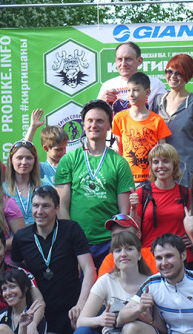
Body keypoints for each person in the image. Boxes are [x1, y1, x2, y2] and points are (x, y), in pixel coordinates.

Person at [11, 185, 96, 334]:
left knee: (81, 329)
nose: (40, 211)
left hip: (71, 307)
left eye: (46, 206)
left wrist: (81, 304)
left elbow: (89, 269)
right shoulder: (22, 238)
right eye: (36, 206)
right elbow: (18, 278)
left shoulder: (71, 229)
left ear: (57, 208)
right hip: (45, 313)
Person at [55, 99, 135, 267]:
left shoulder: (119, 163)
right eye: (89, 121)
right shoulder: (69, 160)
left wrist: (118, 244)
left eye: (100, 121)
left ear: (108, 126)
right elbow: (61, 207)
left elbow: (123, 212)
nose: (94, 125)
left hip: (109, 242)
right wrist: (72, 241)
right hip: (78, 243)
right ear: (83, 125)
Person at [150, 54, 193, 186]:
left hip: (185, 171)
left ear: (187, 75)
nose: (173, 77)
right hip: (160, 170)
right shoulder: (158, 100)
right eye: (169, 71)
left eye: (179, 73)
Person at [129, 143, 193, 273]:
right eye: (156, 162)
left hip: (180, 258)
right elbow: (133, 231)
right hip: (150, 259)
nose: (160, 166)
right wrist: (133, 208)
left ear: (174, 164)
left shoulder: (186, 193)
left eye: (165, 161)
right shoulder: (142, 193)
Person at [112, 72, 171, 184]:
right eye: (128, 90)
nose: (131, 94)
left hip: (151, 179)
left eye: (136, 90)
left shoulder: (157, 120)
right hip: (127, 178)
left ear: (148, 92)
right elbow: (119, 150)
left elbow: (163, 152)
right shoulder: (120, 118)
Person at [98, 42, 165, 115]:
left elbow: (168, 111)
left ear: (139, 61)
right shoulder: (107, 85)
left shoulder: (155, 84)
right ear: (116, 61)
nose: (123, 64)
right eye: (120, 59)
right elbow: (97, 116)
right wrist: (101, 103)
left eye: (128, 59)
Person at [22, 109, 69, 186]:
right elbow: (24, 151)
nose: (62, 152)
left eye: (64, 148)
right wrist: (33, 127)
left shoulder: (70, 166)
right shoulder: (40, 168)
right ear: (46, 148)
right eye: (58, 149)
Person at [3, 140, 43, 225]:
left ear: (34, 161)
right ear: (11, 160)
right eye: (19, 158)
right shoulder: (2, 190)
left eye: (29, 158)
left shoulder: (44, 187)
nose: (24, 162)